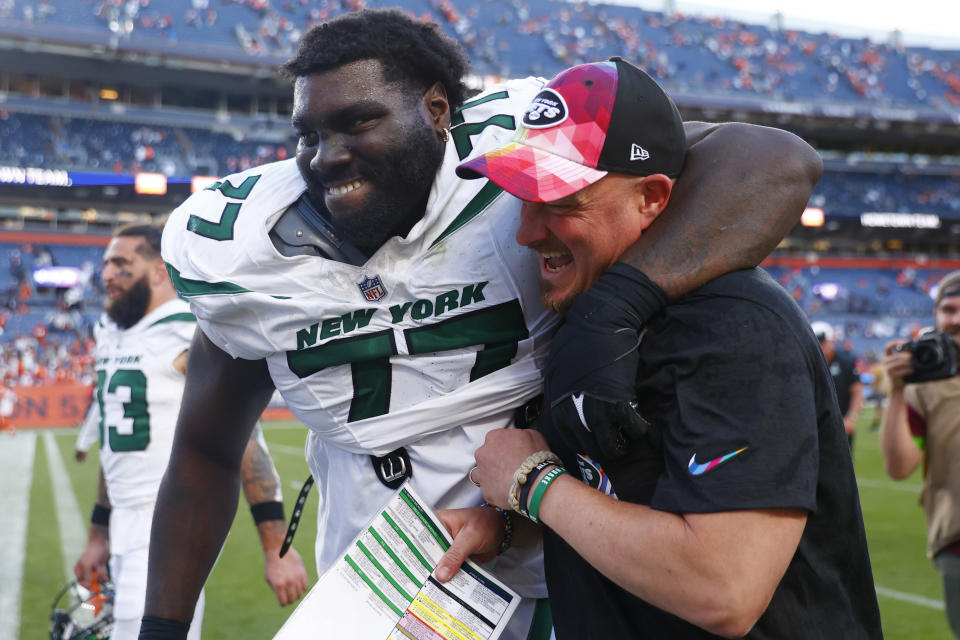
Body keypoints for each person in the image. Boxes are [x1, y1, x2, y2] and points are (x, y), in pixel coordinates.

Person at [142, 10, 823, 640]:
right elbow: (204, 449)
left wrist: (615, 308)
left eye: (359, 122)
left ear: (438, 111)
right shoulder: (249, 254)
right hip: (381, 583)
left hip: (562, 564)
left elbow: (767, 162)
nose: (327, 155)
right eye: (310, 134)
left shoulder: (519, 160)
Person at [435, 58, 883, 639]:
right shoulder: (589, 310)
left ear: (651, 197)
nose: (526, 231)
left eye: (561, 202)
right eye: (524, 197)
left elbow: (722, 586)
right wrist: (512, 526)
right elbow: (626, 496)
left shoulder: (733, 327)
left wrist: (532, 485)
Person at [72, 225, 308, 640]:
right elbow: (117, 445)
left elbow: (244, 441)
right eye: (106, 263)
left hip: (168, 519)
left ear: (159, 270)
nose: (107, 274)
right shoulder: (111, 334)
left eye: (121, 263)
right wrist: (98, 533)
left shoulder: (187, 328)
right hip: (125, 522)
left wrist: (275, 547)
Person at [879, 270, 960, 638]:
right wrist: (896, 391)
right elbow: (899, 468)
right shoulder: (925, 380)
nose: (955, 318)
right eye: (948, 309)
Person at [812, 320, 864, 448]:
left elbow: (857, 391)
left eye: (823, 341)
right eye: (816, 342)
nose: (820, 346)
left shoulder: (846, 361)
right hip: (813, 427)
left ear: (832, 341)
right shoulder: (807, 363)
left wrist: (851, 418)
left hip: (841, 426)